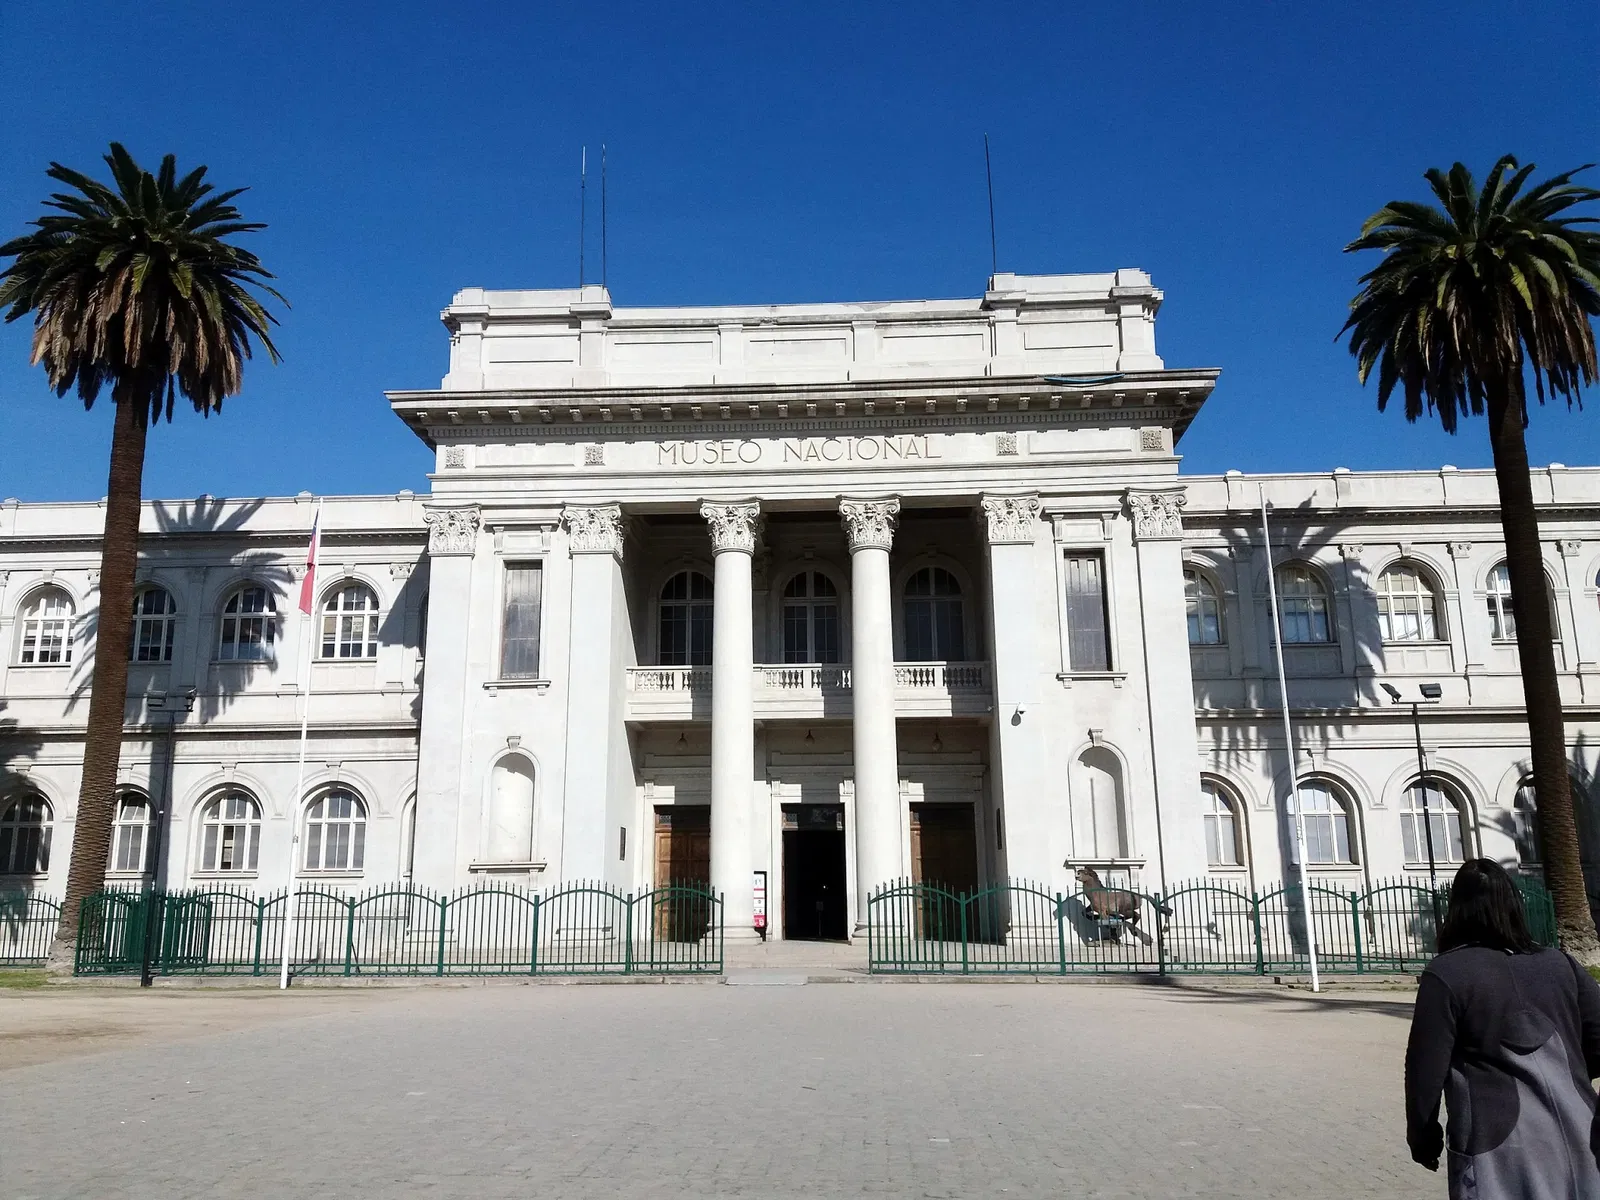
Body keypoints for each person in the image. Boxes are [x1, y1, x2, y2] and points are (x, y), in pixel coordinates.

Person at [1405, 858, 1600, 1198]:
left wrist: (1423, 1136)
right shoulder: (1561, 964)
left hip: (1494, 1150)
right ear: (1514, 905)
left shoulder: (1447, 973)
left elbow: (1425, 1069)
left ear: (1457, 910)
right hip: (1580, 1134)